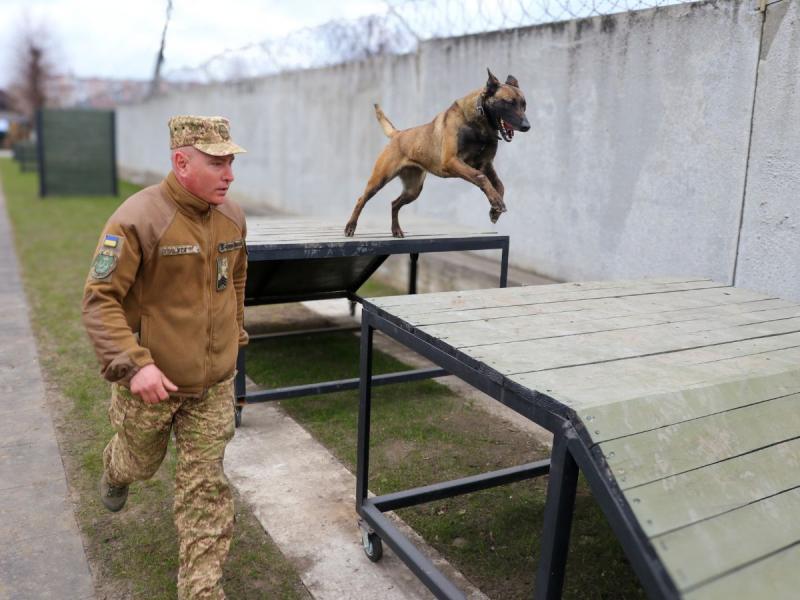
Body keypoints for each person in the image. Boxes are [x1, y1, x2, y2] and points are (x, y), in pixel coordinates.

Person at [82, 115, 248, 599]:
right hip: (152, 385)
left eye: (231, 162)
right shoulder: (137, 218)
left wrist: (235, 333)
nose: (229, 174)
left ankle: (201, 591)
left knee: (206, 489)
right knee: (140, 463)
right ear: (181, 162)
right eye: (217, 163)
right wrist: (135, 365)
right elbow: (99, 300)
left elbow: (235, 278)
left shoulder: (232, 217)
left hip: (213, 386)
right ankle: (116, 467)